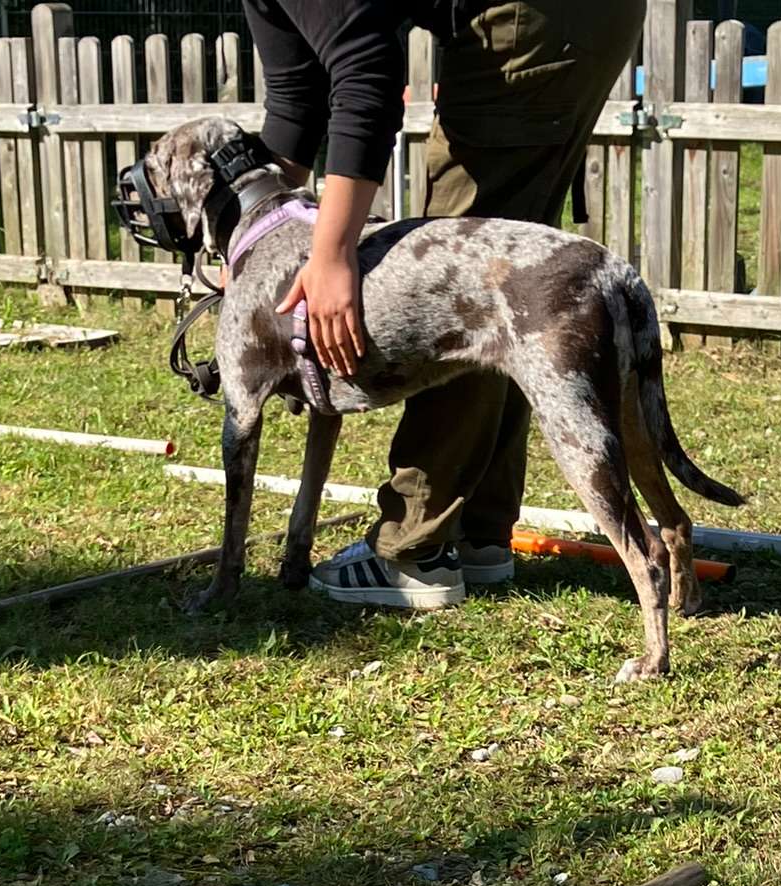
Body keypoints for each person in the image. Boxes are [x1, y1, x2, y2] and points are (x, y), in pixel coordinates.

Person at [241, 0, 646, 610]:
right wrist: (256, 235)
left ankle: (415, 548)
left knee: (463, 280)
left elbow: (367, 73)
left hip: (529, 20)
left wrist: (330, 254)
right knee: (512, 284)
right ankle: (478, 536)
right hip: (561, 20)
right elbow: (297, 96)